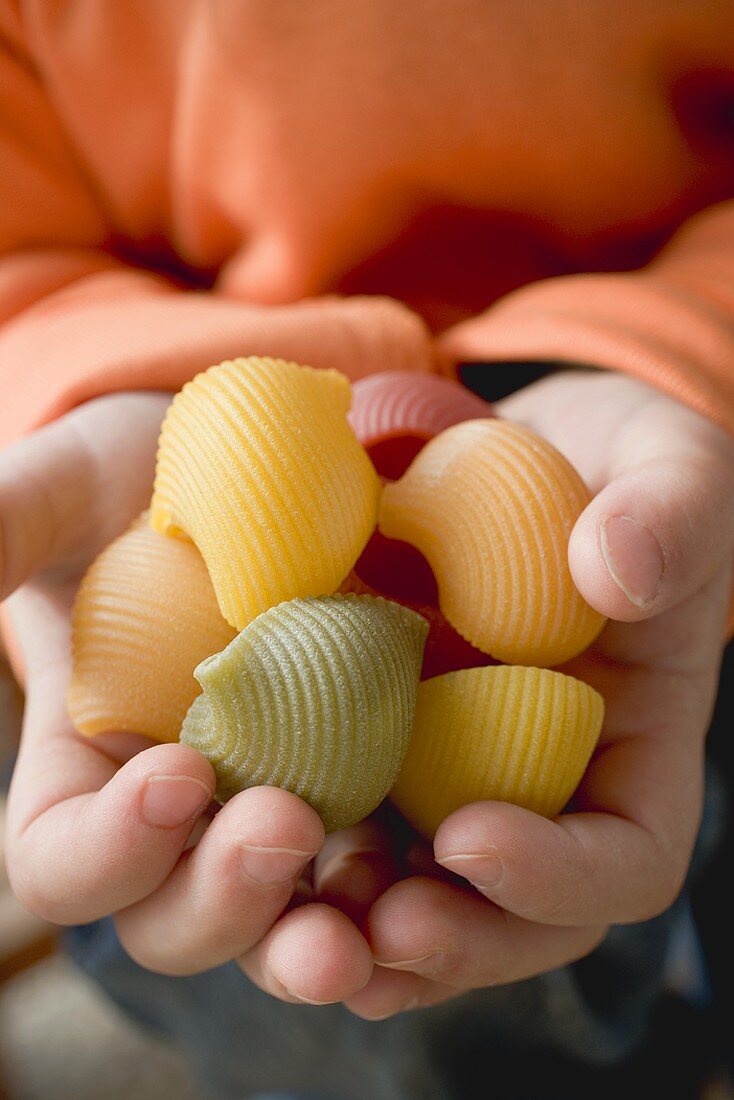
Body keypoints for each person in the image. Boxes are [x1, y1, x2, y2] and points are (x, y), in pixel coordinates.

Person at [1, 3, 733, 1097]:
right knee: (306, 975)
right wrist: (89, 388)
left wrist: (681, 344)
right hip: (165, 441)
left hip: (659, 477)